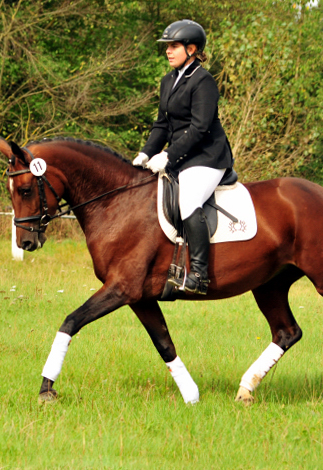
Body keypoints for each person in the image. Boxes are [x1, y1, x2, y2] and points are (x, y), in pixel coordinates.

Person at [133, 19, 233, 295]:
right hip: (180, 156)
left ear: (192, 49)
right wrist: (145, 153)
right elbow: (162, 125)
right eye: (167, 46)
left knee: (188, 199)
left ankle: (200, 275)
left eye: (174, 46)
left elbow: (200, 127)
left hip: (207, 157)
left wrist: (168, 154)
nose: (168, 51)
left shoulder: (203, 81)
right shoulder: (168, 80)